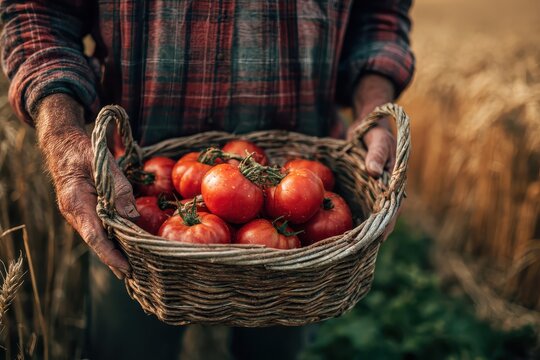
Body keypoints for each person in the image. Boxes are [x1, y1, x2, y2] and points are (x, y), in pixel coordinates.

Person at [0, 0, 414, 358]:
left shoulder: (295, 193)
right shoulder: (190, 193)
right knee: (125, 346)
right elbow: (37, 12)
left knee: (277, 349)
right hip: (129, 195)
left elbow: (379, 14)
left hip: (301, 247)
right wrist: (62, 134)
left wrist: (372, 108)